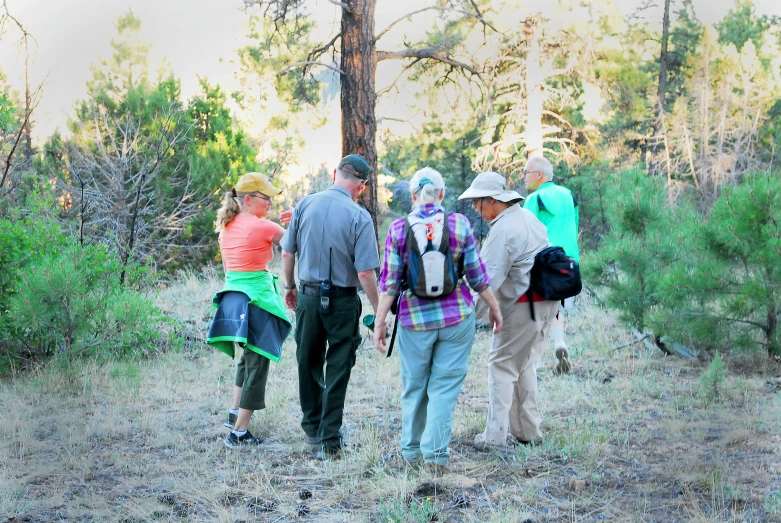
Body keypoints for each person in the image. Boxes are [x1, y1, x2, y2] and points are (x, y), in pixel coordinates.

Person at [373, 167, 502, 475]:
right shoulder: (459, 224)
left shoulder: (398, 229)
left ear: (413, 196)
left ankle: (412, 450)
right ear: (443, 194)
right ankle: (436, 455)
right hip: (457, 317)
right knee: (444, 386)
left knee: (414, 385)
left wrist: (380, 322)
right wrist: (494, 308)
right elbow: (477, 275)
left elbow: (389, 282)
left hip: (414, 322)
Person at [281, 154, 382, 460]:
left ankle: (312, 431)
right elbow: (365, 272)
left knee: (307, 361)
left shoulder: (305, 204)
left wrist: (290, 286)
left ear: (335, 172)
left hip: (309, 298)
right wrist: (379, 311)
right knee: (338, 367)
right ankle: (330, 441)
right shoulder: (360, 216)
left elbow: (287, 254)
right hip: (342, 301)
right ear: (361, 186)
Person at [458, 171, 559, 449]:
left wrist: (464, 318)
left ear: (493, 200)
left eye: (478, 203)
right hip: (547, 301)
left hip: (523, 305)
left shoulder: (503, 229)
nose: (476, 210)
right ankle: (528, 431)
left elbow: (487, 280)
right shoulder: (527, 216)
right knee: (524, 364)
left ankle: (494, 437)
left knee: (501, 365)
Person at [207, 172, 292, 448]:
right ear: (247, 200)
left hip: (233, 298)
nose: (269, 202)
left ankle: (234, 413)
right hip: (257, 300)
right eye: (265, 198)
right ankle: (239, 433)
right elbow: (294, 244)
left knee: (246, 359)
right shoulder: (263, 227)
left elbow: (227, 269)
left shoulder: (226, 227)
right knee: (258, 363)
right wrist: (294, 223)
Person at [522, 156, 580, 374]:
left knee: (535, 310)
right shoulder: (568, 195)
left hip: (545, 261)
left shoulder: (535, 199)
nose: (524, 176)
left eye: (526, 172)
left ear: (539, 175)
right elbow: (575, 225)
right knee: (556, 307)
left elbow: (525, 233)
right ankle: (560, 343)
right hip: (570, 261)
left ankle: (535, 361)